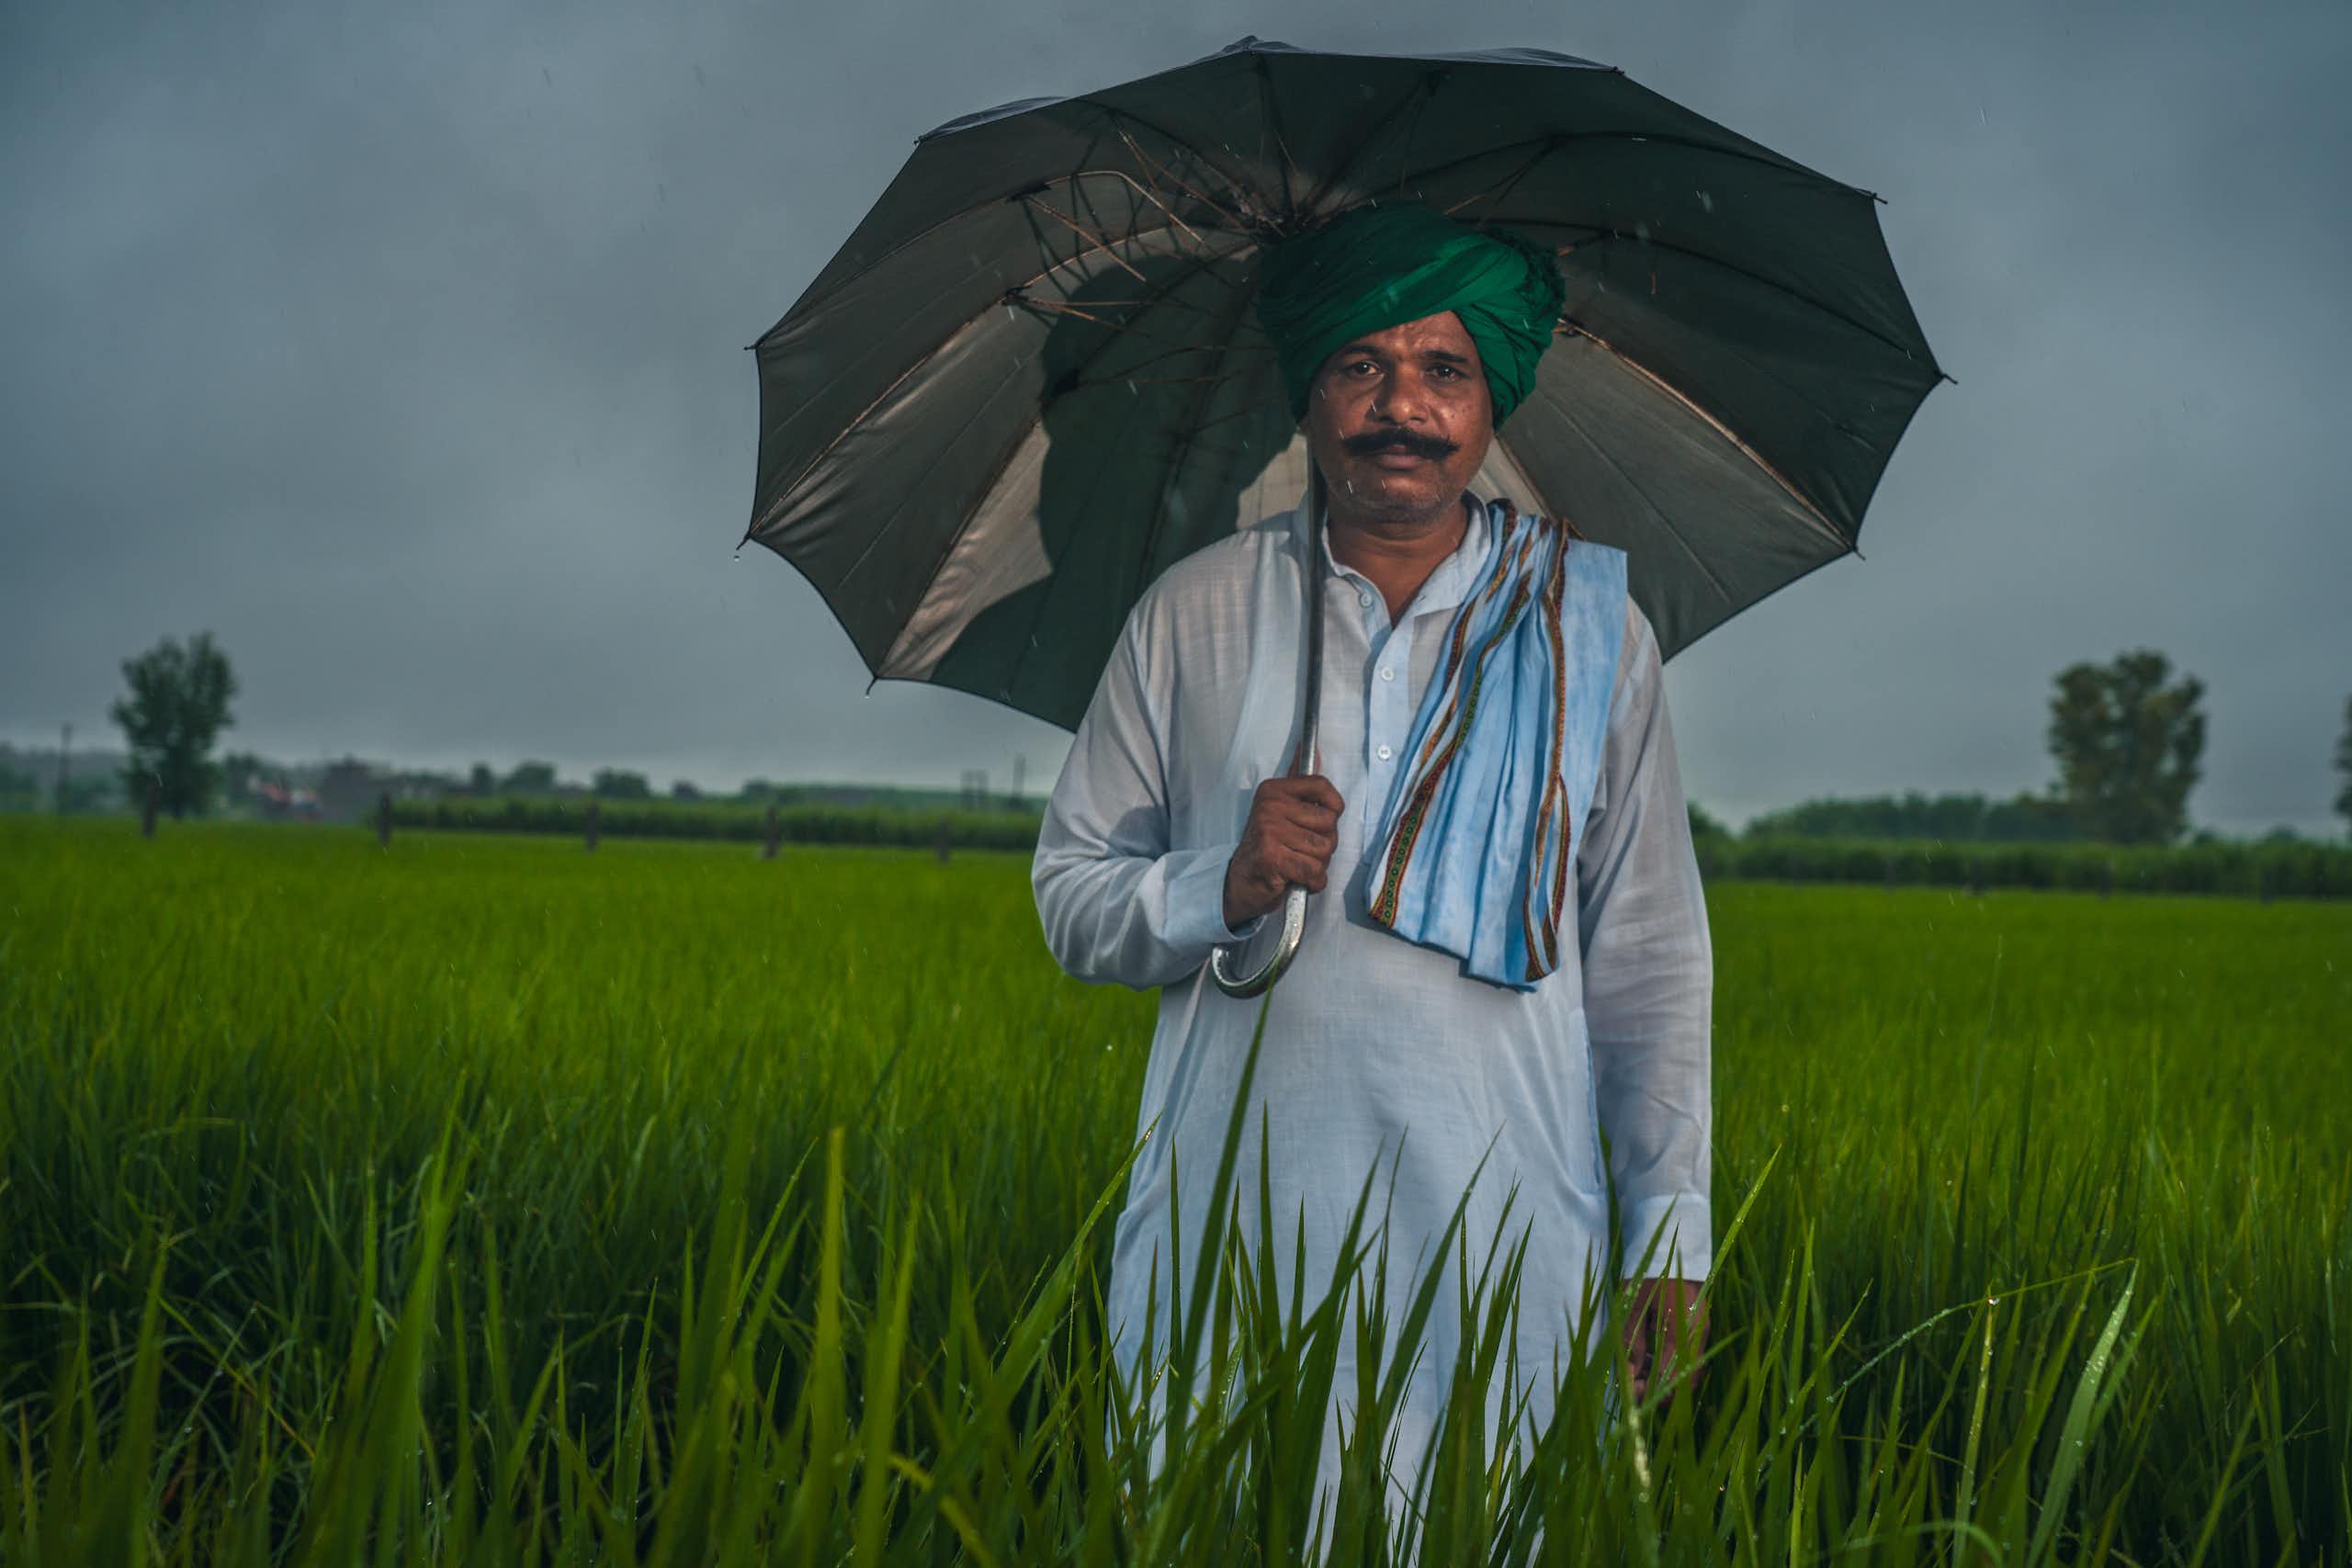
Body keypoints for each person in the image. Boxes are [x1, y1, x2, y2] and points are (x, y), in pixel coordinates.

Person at [1031, 201, 1713, 1528]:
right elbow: (1070, 896)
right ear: (1309, 390)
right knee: (1222, 1522)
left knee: (1475, 1527)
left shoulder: (1592, 631)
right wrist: (1211, 884)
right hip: (1230, 1232)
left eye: (1445, 369)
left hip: (1504, 1233)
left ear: (1491, 399)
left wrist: (1672, 1237)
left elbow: (1650, 958)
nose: (1401, 406)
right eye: (1360, 365)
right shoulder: (1196, 609)